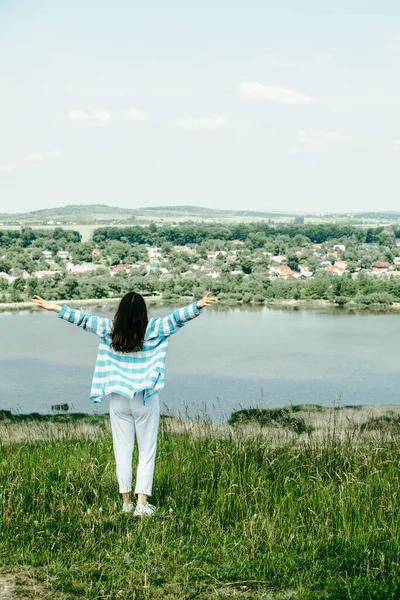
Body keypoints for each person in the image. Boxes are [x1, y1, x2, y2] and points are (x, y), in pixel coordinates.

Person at [31, 291, 217, 516]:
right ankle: (142, 505)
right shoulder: (153, 329)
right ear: (143, 313)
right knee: (146, 452)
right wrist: (198, 305)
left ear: (120, 311)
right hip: (145, 398)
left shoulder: (109, 329)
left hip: (118, 399)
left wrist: (52, 307)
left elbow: (79, 318)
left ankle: (126, 503)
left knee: (123, 451)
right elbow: (177, 318)